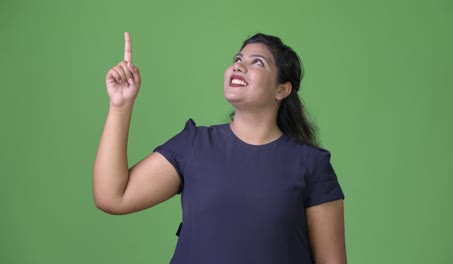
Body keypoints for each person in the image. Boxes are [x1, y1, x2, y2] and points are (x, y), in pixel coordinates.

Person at [93, 32, 347, 264]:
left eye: (257, 62)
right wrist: (120, 105)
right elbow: (113, 196)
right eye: (238, 58)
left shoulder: (311, 164)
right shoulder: (193, 145)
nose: (239, 65)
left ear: (282, 89)